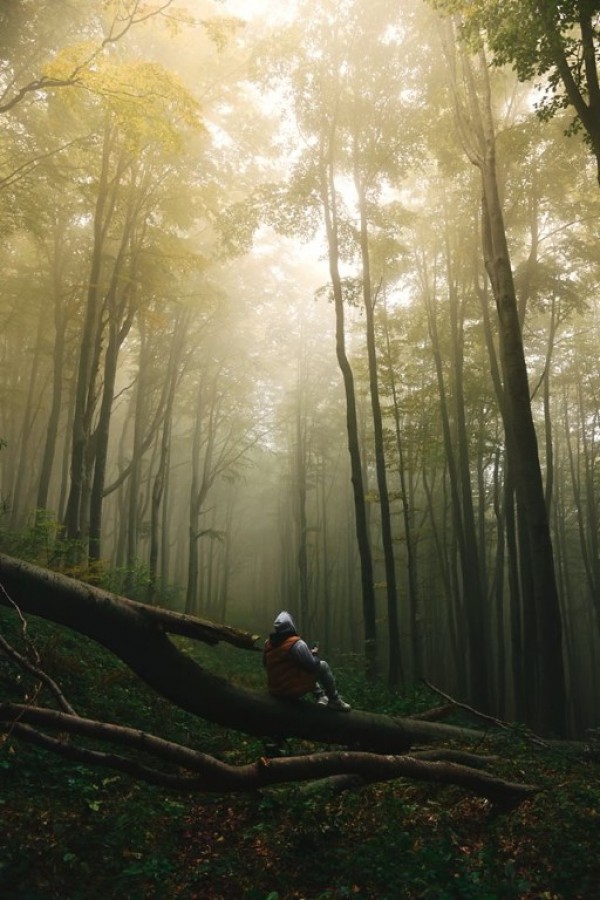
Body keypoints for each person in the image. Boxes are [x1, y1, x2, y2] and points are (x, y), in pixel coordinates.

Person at [263, 610, 351, 711]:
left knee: (302, 667)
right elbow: (312, 666)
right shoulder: (297, 644)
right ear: (291, 625)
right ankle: (335, 700)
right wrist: (315, 654)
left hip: (275, 690)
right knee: (323, 665)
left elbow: (266, 664)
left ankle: (321, 696)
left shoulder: (268, 643)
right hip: (289, 692)